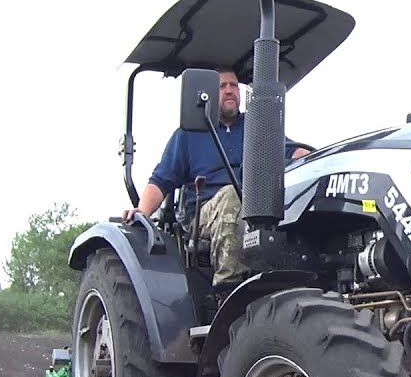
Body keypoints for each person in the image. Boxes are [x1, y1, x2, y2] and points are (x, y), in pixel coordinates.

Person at [123, 67, 310, 286]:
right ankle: (226, 286)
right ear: (209, 94)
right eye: (222, 86)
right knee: (232, 195)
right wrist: (142, 212)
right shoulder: (189, 133)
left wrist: (319, 160)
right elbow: (161, 180)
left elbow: (291, 152)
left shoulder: (257, 126)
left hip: (257, 206)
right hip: (205, 211)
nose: (229, 90)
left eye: (234, 85)